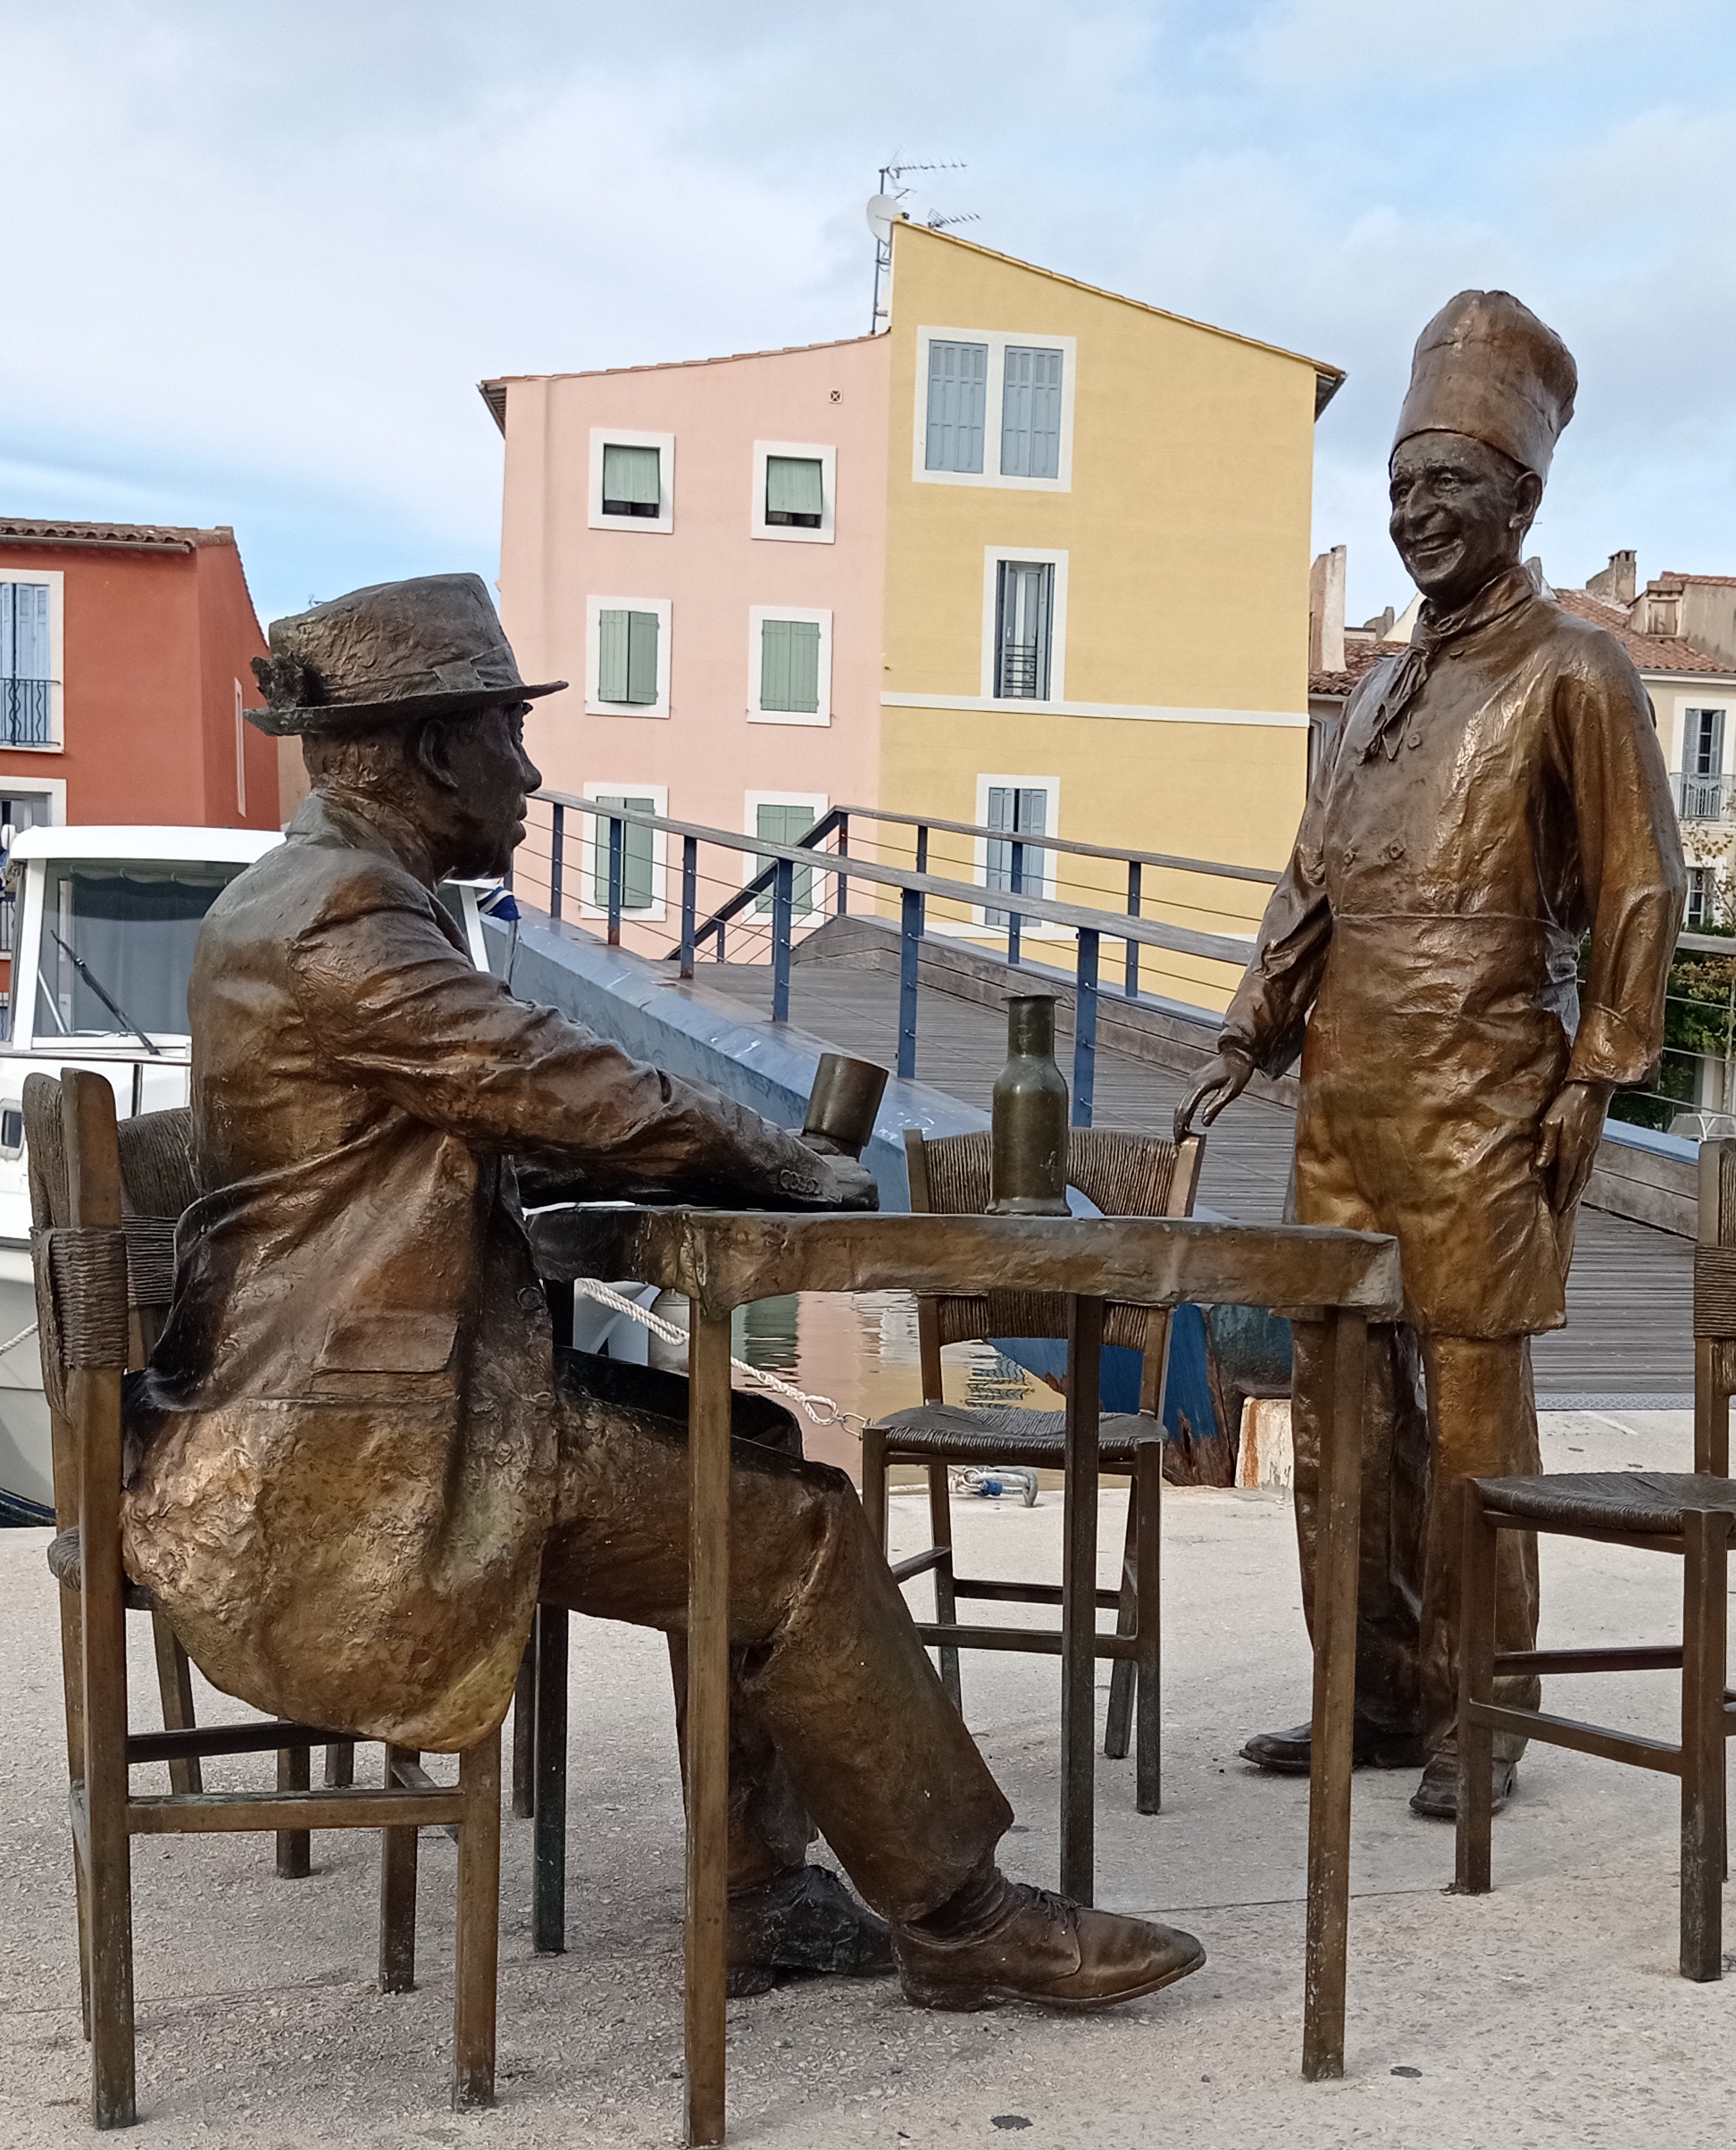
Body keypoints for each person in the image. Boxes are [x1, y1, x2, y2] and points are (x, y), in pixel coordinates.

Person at [122, 573, 1202, 2012]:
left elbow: (439, 1133)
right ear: (437, 747)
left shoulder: (317, 898)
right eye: (510, 733)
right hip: (363, 1441)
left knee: (751, 1452)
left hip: (353, 1393)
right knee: (799, 1532)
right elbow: (564, 1082)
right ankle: (960, 1916)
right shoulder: (340, 919)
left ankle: (758, 1891)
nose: (533, 770)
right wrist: (784, 1159)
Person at [1184, 293, 1678, 1820]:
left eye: (1446, 488)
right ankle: (1371, 1694)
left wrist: (1595, 1072)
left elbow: (1642, 886)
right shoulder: (1385, 686)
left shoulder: (1577, 672)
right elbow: (1311, 879)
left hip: (1484, 1102)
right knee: (1342, 1420)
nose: (1416, 519)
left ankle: (1484, 1714)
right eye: (1399, 492)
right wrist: (1245, 1030)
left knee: (1472, 1428)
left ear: (1522, 499)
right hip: (1343, 1097)